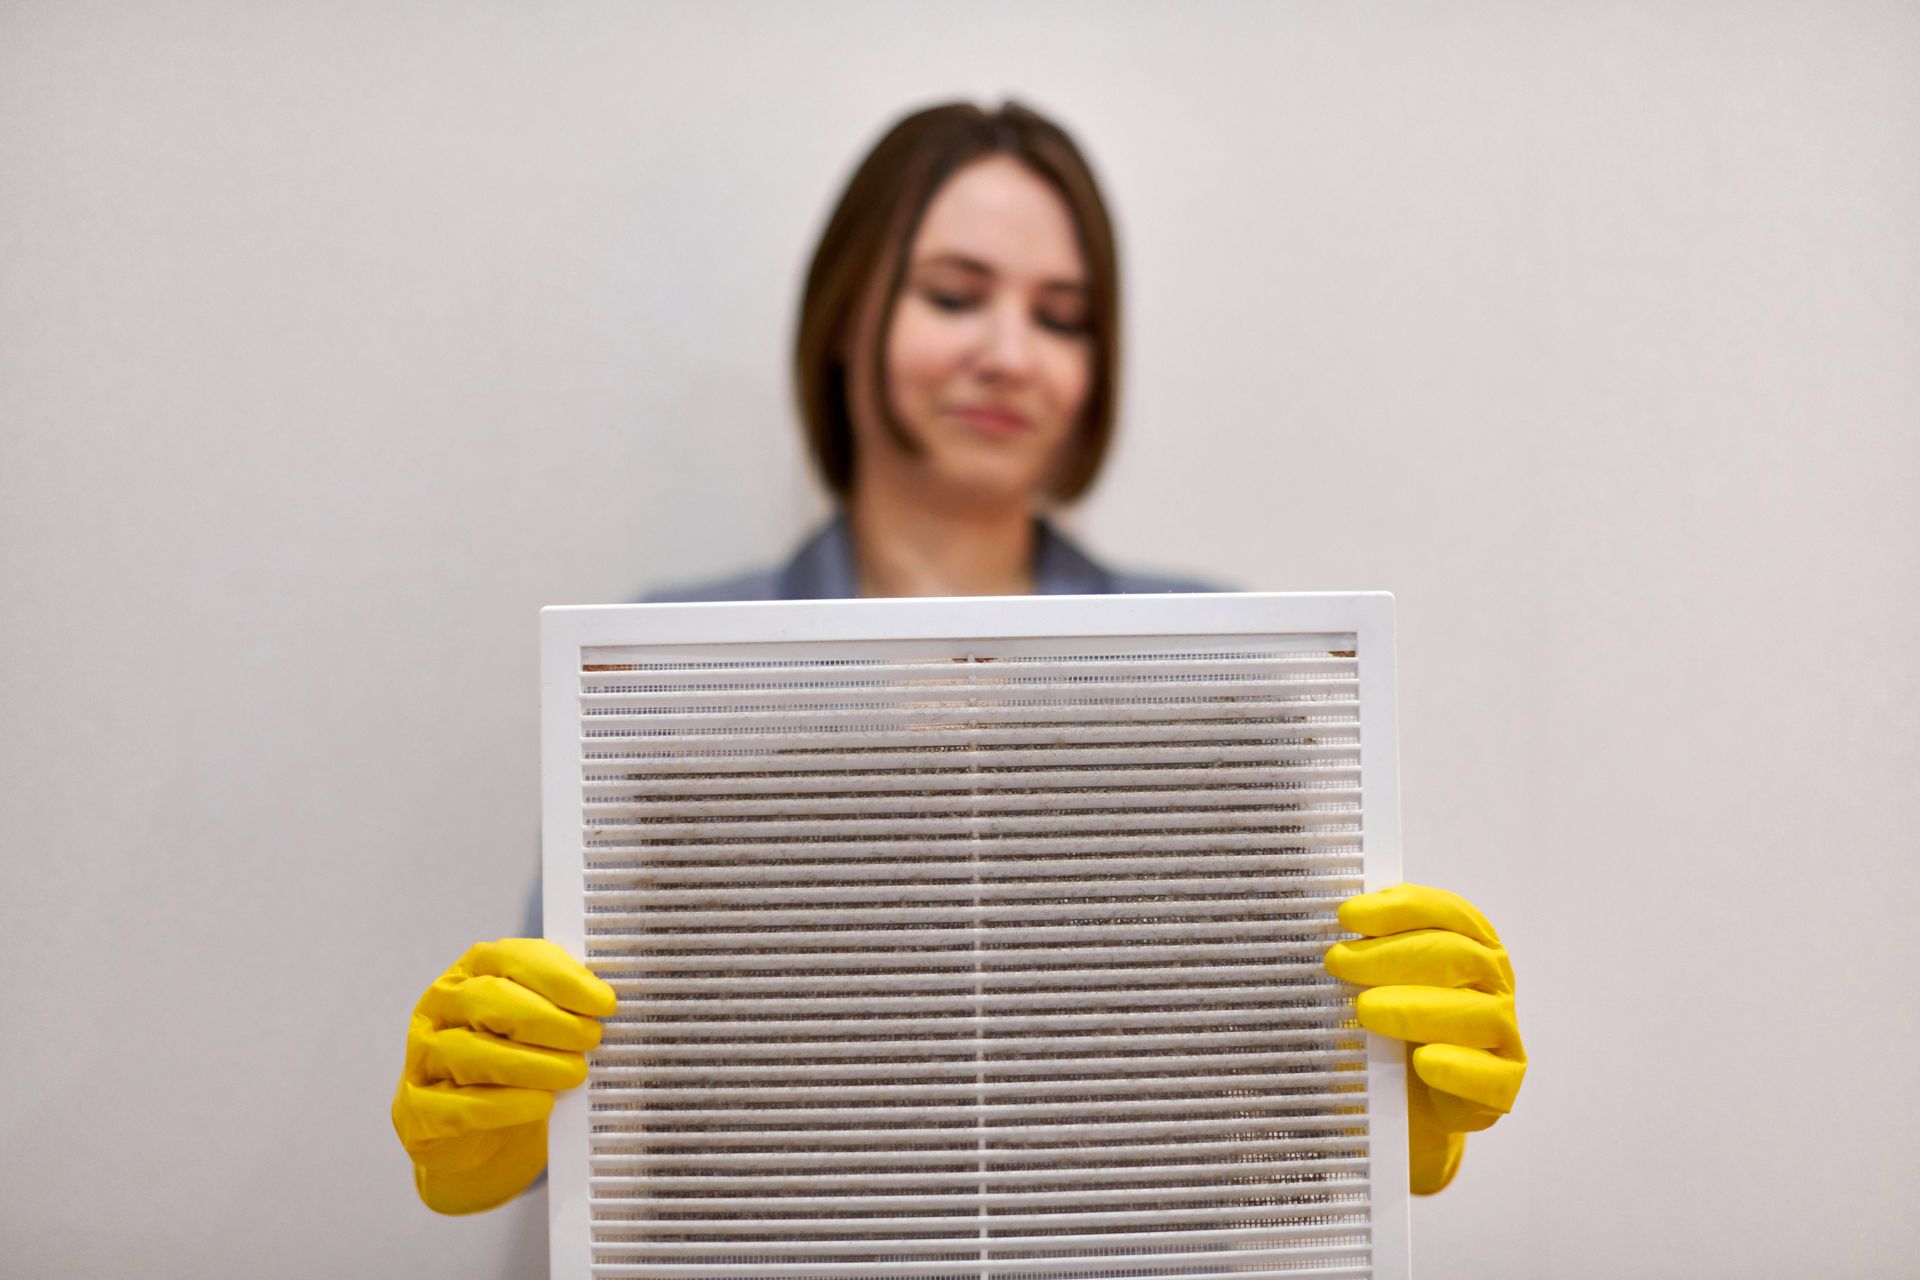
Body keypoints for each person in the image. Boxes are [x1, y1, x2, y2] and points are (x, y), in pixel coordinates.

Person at [390, 100, 1526, 1217]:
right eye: (953, 295)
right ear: (846, 314)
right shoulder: (656, 687)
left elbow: (1261, 1107)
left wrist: (1378, 1104)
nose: (1008, 353)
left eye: (1064, 316)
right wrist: (493, 1107)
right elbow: (577, 1095)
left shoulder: (1218, 676)